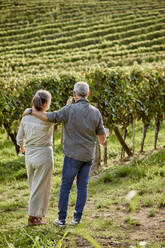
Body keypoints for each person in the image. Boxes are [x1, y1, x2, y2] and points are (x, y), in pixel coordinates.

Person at [23, 81, 107, 227]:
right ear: (88, 93)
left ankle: (61, 220)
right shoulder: (95, 112)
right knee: (83, 187)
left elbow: (51, 117)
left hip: (72, 156)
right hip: (88, 156)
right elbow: (101, 137)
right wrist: (104, 143)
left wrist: (31, 111)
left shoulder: (69, 110)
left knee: (65, 187)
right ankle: (76, 219)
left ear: (75, 94)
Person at [17, 90, 54, 226]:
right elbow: (60, 116)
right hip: (43, 154)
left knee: (34, 187)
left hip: (29, 155)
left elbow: (19, 138)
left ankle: (36, 217)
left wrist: (22, 148)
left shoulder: (25, 117)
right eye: (49, 102)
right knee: (41, 188)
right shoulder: (48, 119)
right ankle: (33, 217)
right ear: (45, 104)